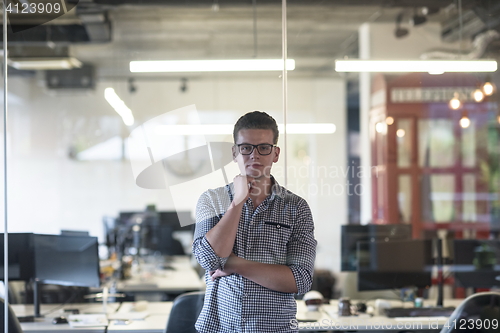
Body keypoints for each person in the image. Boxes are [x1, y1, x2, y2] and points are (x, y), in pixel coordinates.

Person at [192, 111, 317, 333]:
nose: (254, 155)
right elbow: (209, 259)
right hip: (221, 327)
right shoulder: (211, 200)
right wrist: (237, 202)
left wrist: (231, 264)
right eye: (246, 148)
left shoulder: (296, 208)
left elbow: (300, 280)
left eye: (264, 148)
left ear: (275, 153)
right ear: (235, 153)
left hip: (275, 328)